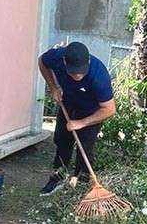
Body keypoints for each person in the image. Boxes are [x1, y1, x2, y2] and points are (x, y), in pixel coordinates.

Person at [37, 42, 115, 196]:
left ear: (88, 62)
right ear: (64, 62)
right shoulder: (56, 57)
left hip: (91, 113)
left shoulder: (98, 75)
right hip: (68, 106)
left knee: (84, 147)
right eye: (73, 73)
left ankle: (82, 182)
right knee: (62, 141)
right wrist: (52, 87)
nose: (77, 77)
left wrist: (81, 123)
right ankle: (58, 177)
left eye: (81, 72)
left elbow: (110, 110)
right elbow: (41, 61)